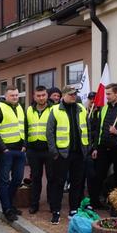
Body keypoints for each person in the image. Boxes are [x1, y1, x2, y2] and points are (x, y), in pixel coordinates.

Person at [46, 85, 90, 225]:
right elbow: (50, 133)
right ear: (63, 95)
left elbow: (87, 129)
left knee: (77, 183)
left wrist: (87, 148)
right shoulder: (55, 110)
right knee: (58, 183)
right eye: (70, 94)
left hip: (79, 154)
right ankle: (56, 211)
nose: (73, 96)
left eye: (74, 94)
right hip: (62, 154)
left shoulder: (81, 109)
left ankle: (74, 210)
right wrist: (54, 153)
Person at [0, 86, 26, 222]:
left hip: (20, 150)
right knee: (4, 180)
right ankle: (7, 209)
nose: (15, 98)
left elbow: (24, 126)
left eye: (16, 95)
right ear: (6, 96)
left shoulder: (20, 107)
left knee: (17, 179)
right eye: (12, 96)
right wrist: (3, 148)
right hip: (6, 151)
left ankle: (10, 204)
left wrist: (24, 145)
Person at [24, 86, 53, 214]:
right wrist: (26, 145)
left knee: (52, 178)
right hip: (33, 150)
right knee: (35, 178)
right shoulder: (29, 110)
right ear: (34, 97)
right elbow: (24, 128)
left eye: (43, 95)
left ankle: (53, 203)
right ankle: (34, 204)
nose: (41, 98)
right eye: (38, 95)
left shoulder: (54, 109)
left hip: (49, 150)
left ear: (47, 95)